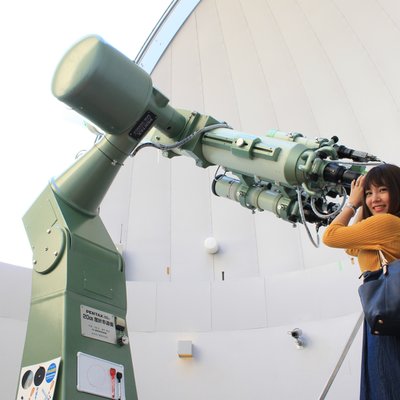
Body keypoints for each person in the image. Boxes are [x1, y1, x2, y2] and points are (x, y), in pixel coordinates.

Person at [322, 163, 400, 400]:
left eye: (382, 190)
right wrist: (362, 211)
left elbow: (331, 236)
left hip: (387, 312)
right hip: (388, 310)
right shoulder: (386, 225)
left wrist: (352, 202)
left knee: (385, 384)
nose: (374, 198)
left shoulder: (386, 223)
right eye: (368, 193)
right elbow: (353, 248)